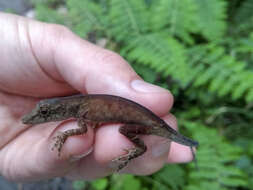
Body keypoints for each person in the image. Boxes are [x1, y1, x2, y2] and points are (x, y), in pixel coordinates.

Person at [0, 12, 193, 182]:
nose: (41, 117)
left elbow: (81, 130)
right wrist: (64, 134)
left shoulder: (81, 111)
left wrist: (64, 134)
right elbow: (81, 128)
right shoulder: (80, 108)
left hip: (147, 122)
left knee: (125, 131)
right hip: (144, 118)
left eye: (45, 113)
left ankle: (140, 149)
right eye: (44, 113)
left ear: (60, 110)